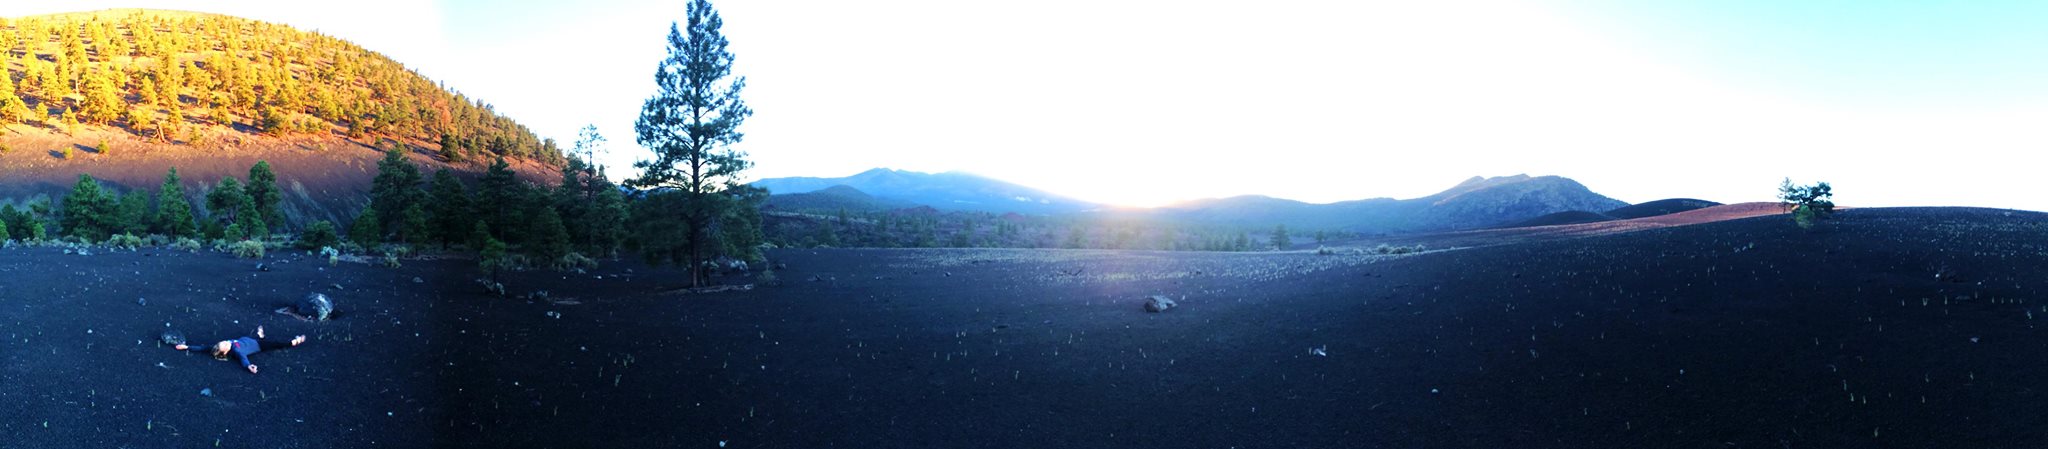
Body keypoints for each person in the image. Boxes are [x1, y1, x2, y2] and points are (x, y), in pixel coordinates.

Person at [173, 326, 306, 374]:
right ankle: (291, 343)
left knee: (255, 336)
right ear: (224, 351)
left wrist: (187, 347)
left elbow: (202, 347)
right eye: (224, 344)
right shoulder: (237, 352)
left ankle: (260, 335)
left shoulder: (216, 347)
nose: (224, 341)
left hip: (249, 339)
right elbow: (244, 359)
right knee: (275, 344)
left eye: (222, 342)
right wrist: (250, 367)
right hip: (258, 345)